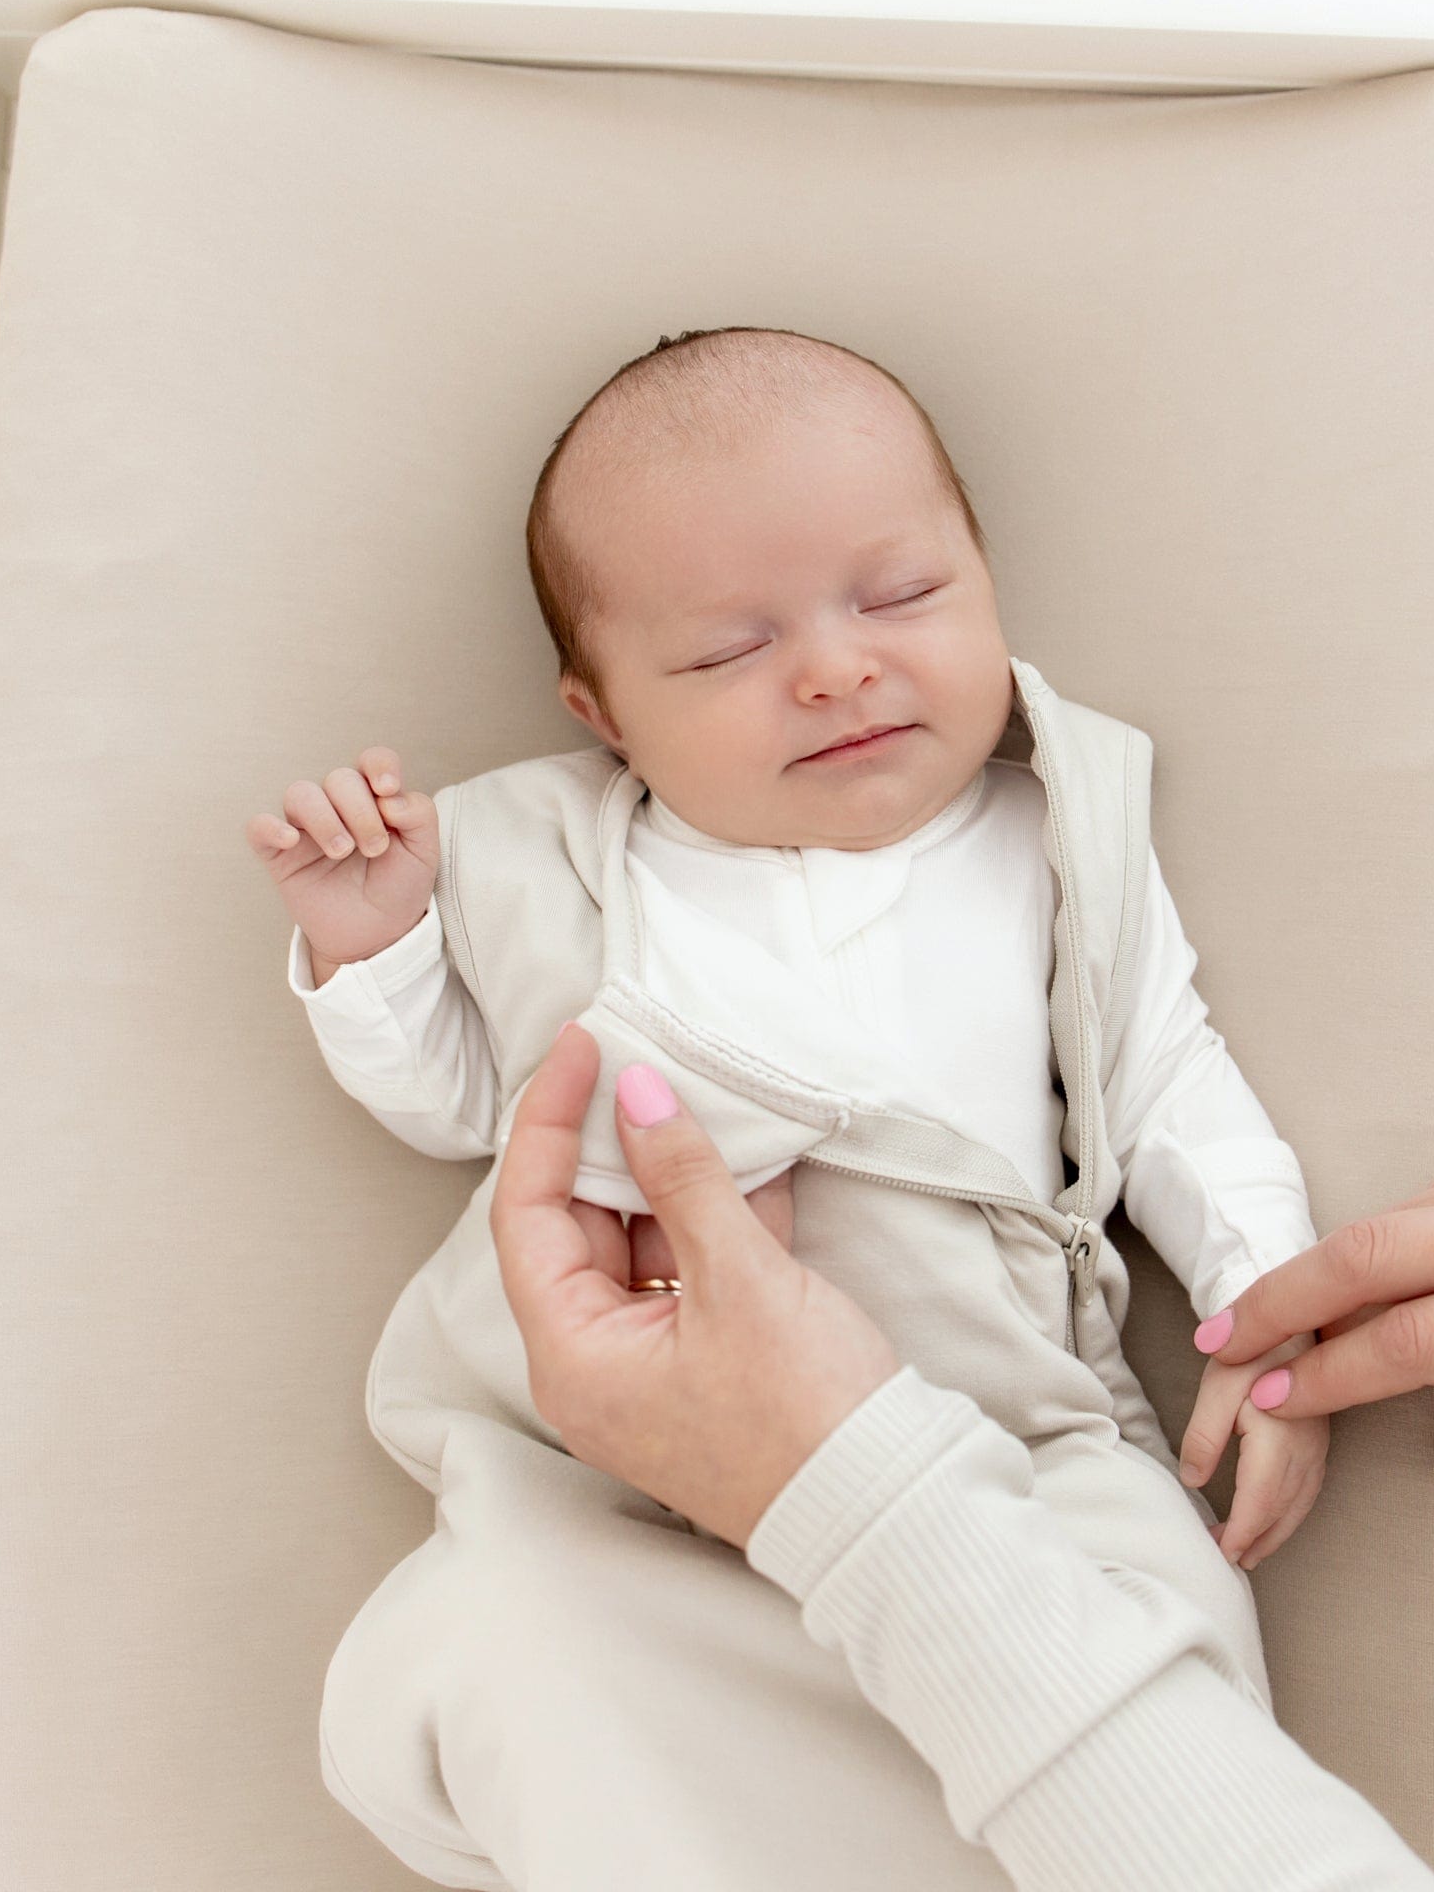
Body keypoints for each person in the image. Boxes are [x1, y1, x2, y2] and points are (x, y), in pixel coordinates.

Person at [254, 325, 1342, 1887]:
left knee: (1163, 1645)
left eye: (902, 597)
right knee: (504, 1639)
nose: (837, 667)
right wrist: (372, 944)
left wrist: (1265, 1302)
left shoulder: (1052, 829)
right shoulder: (545, 856)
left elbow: (1167, 1073)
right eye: (725, 653)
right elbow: (465, 1112)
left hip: (996, 1422)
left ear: (984, 578)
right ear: (605, 712)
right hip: (626, 1477)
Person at [488, 1027, 1434, 1891]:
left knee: (514, 1636)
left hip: (940, 1460)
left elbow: (1161, 1069)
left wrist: (856, 1500)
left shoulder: (1049, 825)